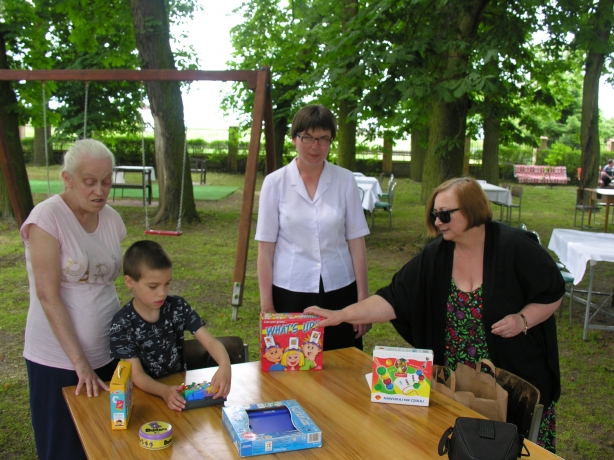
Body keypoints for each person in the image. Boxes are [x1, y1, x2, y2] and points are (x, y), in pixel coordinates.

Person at [306, 177, 565, 453]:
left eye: (445, 214)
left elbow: (553, 292)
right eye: (434, 215)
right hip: (458, 386)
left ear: (472, 209)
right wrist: (342, 315)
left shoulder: (515, 247)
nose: (438, 222)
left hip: (515, 381)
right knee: (466, 449)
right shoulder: (436, 255)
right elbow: (394, 299)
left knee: (513, 450)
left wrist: (522, 320)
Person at [20, 139, 126, 460]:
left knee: (106, 443)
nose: (100, 190)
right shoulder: (47, 217)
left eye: (106, 181)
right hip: (58, 361)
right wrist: (80, 363)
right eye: (89, 182)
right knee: (63, 448)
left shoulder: (112, 219)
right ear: (67, 178)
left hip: (107, 353)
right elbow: (47, 295)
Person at [255, 104, 371, 351]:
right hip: (290, 291)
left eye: (323, 139)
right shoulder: (274, 183)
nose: (315, 146)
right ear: (294, 138)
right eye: (307, 137)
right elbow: (265, 249)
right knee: (293, 359)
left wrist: (363, 300)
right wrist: (267, 306)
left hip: (340, 289)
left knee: (343, 361)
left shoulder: (345, 180)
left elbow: (356, 242)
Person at [109, 240, 231, 411]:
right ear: (130, 282)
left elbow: (210, 342)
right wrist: (164, 391)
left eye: (167, 283)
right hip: (146, 398)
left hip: (178, 392)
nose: (162, 293)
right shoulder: (121, 323)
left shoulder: (177, 306)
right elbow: (136, 374)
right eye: (153, 286)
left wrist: (225, 365)